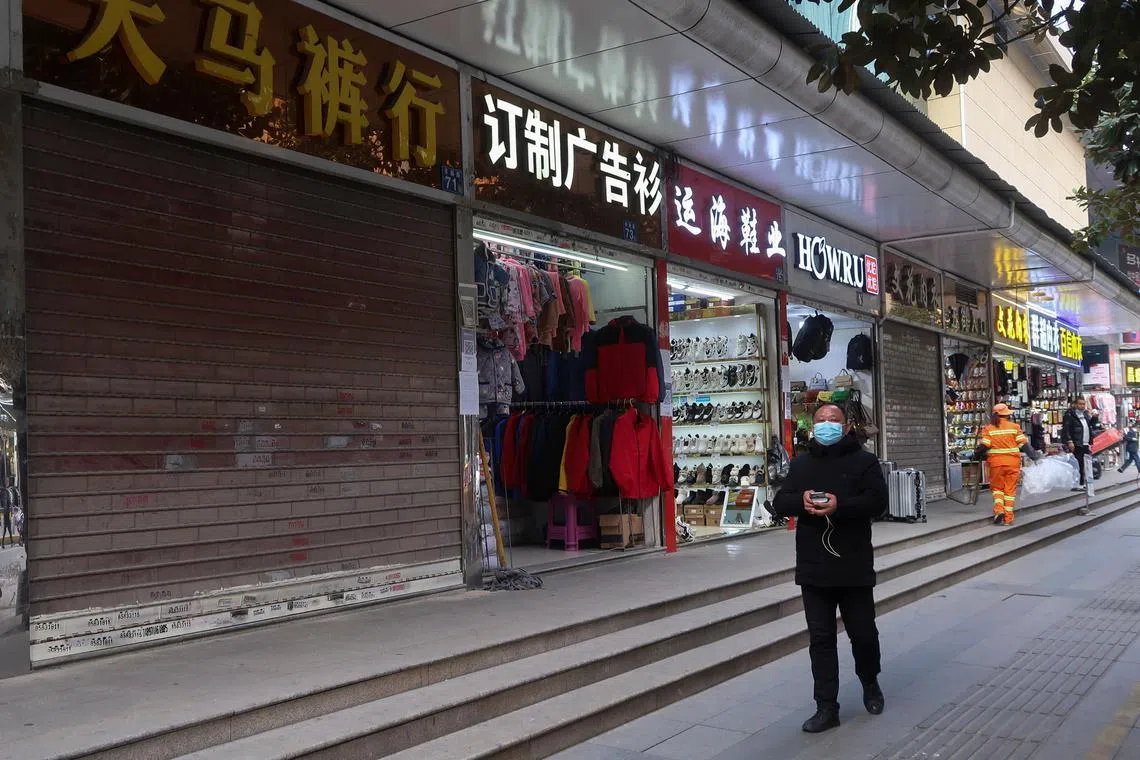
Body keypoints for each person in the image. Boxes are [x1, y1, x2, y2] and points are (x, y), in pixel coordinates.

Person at [771, 403, 887, 734]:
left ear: (846, 426)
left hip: (853, 564)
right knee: (821, 639)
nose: (826, 425)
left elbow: (878, 502)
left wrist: (841, 505)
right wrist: (802, 501)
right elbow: (781, 502)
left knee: (863, 634)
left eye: (832, 421)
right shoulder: (802, 463)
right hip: (813, 566)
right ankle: (826, 706)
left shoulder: (865, 461)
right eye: (820, 420)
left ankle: (870, 681)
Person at [974, 404, 1040, 526]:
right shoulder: (1015, 427)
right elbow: (1023, 445)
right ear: (1007, 414)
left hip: (996, 464)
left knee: (997, 489)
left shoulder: (989, 428)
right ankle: (1008, 519)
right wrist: (1034, 456)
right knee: (1010, 491)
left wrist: (975, 455)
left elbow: (985, 445)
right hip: (1012, 464)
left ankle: (999, 511)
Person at [1061, 397, 1099, 489]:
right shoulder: (1070, 415)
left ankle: (1083, 483)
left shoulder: (1085, 414)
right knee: (1078, 464)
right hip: (1076, 443)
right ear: (1075, 405)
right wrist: (1070, 441)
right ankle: (1078, 484)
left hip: (1085, 443)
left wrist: (1094, 418)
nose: (1082, 406)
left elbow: (1091, 426)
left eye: (1083, 404)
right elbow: (1066, 429)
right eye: (1080, 404)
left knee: (1085, 464)